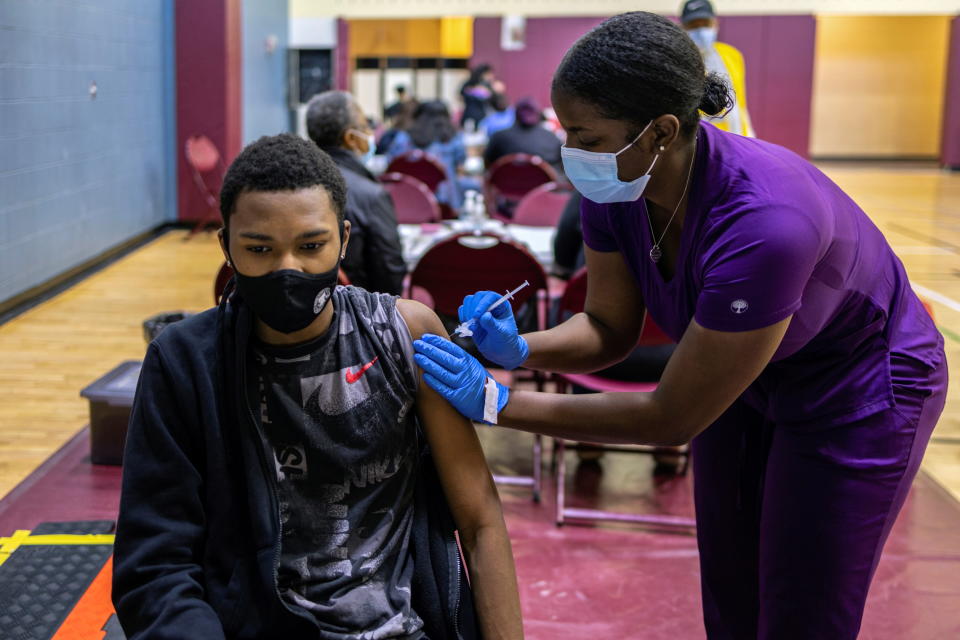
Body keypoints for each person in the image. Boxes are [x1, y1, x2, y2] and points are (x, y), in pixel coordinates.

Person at [412, 12, 946, 639]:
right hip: (748, 379)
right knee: (731, 588)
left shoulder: (766, 225)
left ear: (661, 131)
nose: (570, 154)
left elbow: (671, 417)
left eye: (585, 135)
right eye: (565, 132)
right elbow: (610, 327)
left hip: (858, 389)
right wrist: (522, 347)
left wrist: (499, 403)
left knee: (806, 604)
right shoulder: (617, 191)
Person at [112, 134, 524, 640]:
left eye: (311, 246)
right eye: (259, 248)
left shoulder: (403, 335)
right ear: (226, 246)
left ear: (344, 239)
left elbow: (480, 521)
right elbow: (155, 565)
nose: (289, 268)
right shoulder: (185, 362)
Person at [306, 90, 406, 295]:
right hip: (359, 314)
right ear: (351, 138)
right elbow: (391, 275)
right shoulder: (371, 195)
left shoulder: (293, 185)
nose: (370, 133)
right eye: (366, 126)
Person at [387, 100, 478, 210]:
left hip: (408, 200)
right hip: (446, 203)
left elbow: (392, 164)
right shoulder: (454, 139)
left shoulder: (404, 138)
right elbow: (460, 168)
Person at [681, 0, 754, 137]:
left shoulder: (732, 55)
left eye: (705, 24)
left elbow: (741, 104)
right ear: (683, 27)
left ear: (715, 23)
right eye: (693, 25)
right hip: (704, 143)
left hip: (737, 138)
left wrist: (749, 135)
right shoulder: (680, 61)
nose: (701, 31)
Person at [484, 97, 564, 177]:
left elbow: (488, 165)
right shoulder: (552, 138)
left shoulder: (498, 137)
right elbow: (562, 166)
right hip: (546, 188)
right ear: (539, 115)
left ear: (515, 114)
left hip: (508, 187)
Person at [459, 64, 498, 130]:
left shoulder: (489, 85)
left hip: (484, 117)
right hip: (471, 116)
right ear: (483, 74)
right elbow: (461, 97)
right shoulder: (469, 84)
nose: (491, 76)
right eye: (489, 74)